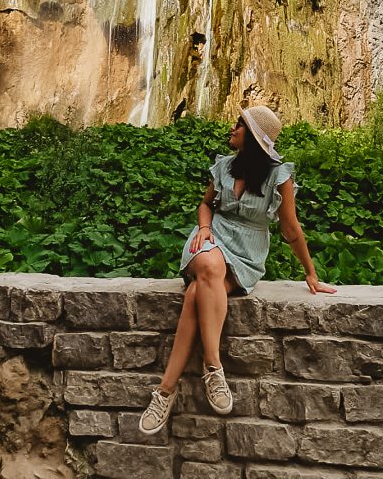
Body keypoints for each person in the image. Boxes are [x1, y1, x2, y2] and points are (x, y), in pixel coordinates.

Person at [139, 104, 336, 435]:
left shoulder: (279, 176)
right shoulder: (224, 166)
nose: (232, 129)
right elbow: (206, 205)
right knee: (209, 262)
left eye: (239, 126)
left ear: (255, 139)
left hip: (247, 252)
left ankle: (165, 391)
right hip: (213, 238)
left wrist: (310, 273)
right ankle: (213, 367)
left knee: (195, 293)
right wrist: (204, 228)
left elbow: (290, 229)